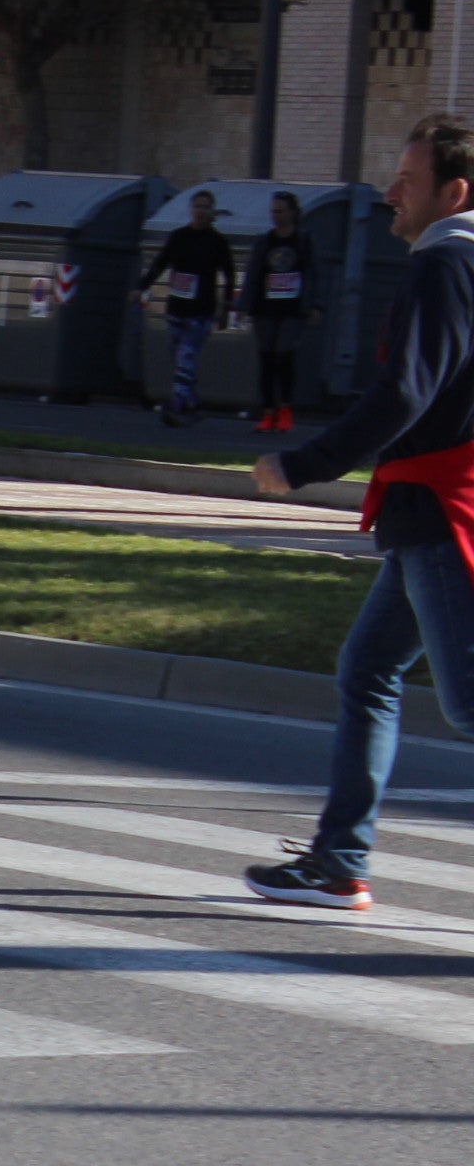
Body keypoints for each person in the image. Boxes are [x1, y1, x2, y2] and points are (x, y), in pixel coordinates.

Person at [249, 115, 474, 912]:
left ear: (455, 192)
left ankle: (340, 858)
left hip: (440, 508)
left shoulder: (446, 263)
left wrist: (306, 462)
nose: (390, 192)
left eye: (407, 180)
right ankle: (340, 859)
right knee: (369, 671)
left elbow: (405, 392)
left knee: (467, 703)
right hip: (438, 504)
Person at [147, 188, 235, 428]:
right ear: (191, 210)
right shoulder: (178, 237)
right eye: (197, 206)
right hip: (176, 308)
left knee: (186, 355)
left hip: (202, 311)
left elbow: (229, 275)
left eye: (205, 207)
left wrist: (226, 309)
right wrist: (141, 286)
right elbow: (161, 262)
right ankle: (193, 402)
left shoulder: (217, 242)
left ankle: (176, 404)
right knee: (180, 359)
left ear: (211, 212)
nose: (200, 211)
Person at [247, 189, 310, 434]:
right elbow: (254, 274)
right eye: (273, 211)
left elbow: (312, 274)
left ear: (292, 213)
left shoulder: (303, 241)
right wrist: (244, 305)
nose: (276, 216)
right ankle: (267, 412)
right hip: (266, 309)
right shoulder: (265, 241)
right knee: (266, 359)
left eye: (280, 211)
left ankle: (285, 409)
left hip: (292, 310)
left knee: (284, 357)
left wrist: (314, 306)